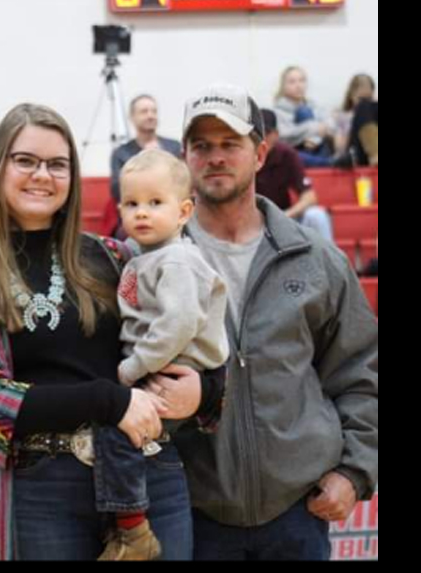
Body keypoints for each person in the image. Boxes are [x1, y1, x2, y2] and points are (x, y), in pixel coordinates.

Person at [0, 104, 226, 560]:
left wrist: (205, 391)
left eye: (58, 164)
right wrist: (110, 401)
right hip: (46, 490)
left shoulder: (115, 257)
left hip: (150, 473)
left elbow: (194, 329)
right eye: (25, 160)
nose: (42, 175)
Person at [174, 84, 379, 561]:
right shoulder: (157, 262)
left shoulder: (316, 259)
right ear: (185, 156)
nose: (215, 157)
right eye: (202, 146)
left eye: (231, 144)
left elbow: (361, 372)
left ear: (261, 153)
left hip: (297, 511)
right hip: (192, 512)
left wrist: (354, 472)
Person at [91, 148, 230, 559]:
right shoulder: (145, 257)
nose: (142, 213)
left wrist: (131, 369)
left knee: (117, 432)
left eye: (155, 203)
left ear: (184, 210)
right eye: (132, 204)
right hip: (159, 361)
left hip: (176, 367)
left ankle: (134, 533)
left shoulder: (178, 260)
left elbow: (179, 323)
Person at [254, 109, 334, 243]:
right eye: (257, 133)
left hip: (283, 217)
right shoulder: (243, 155)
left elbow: (310, 197)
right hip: (250, 222)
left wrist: (284, 216)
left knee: (317, 216)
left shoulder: (286, 154)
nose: (262, 138)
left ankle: (330, 263)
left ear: (276, 134)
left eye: (266, 133)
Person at [273, 66, 335, 168]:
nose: (298, 85)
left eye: (302, 80)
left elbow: (331, 126)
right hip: (298, 152)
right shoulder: (277, 111)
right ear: (283, 86)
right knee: (290, 156)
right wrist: (312, 129)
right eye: (292, 82)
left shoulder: (315, 106)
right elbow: (284, 136)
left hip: (319, 150)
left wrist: (315, 139)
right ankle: (330, 163)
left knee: (305, 110)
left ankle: (324, 162)